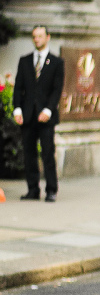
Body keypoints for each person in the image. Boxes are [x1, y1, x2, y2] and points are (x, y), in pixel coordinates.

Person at [12, 25, 65, 202]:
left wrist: (49, 110)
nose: (37, 40)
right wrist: (17, 109)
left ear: (48, 37)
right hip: (28, 115)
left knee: (48, 153)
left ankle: (51, 189)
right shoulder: (25, 61)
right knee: (29, 154)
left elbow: (57, 90)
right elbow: (18, 87)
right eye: (34, 37)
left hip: (46, 116)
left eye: (40, 36)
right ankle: (32, 189)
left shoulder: (57, 62)